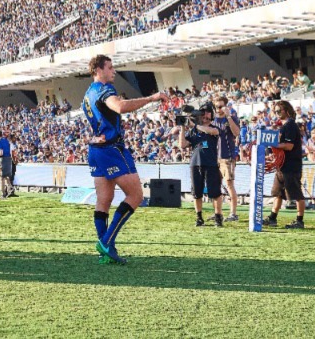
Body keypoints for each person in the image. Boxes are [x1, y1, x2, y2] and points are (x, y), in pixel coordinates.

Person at [82, 55, 166, 265]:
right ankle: (106, 242)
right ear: (98, 70)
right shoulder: (104, 90)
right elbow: (119, 106)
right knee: (135, 195)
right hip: (111, 148)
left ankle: (105, 252)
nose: (114, 71)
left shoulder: (88, 94)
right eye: (110, 68)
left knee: (104, 199)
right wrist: (151, 98)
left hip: (96, 149)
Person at [177, 103, 224, 227]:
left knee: (215, 192)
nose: (204, 115)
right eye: (203, 113)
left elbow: (212, 131)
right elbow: (182, 145)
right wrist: (182, 127)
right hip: (195, 163)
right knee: (197, 193)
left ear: (211, 115)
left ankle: (218, 217)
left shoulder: (214, 128)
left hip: (211, 164)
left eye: (207, 113)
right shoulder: (194, 131)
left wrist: (195, 125)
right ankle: (199, 217)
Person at [263, 100, 305, 229]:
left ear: (286, 110)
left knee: (296, 194)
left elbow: (289, 146)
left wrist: (274, 144)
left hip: (291, 166)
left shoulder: (290, 125)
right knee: (277, 193)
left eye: (279, 111)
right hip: (282, 166)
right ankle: (272, 218)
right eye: (275, 111)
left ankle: (299, 220)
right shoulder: (284, 126)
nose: (277, 113)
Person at [213, 95, 241, 221]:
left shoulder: (231, 118)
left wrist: (228, 116)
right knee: (216, 185)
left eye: (220, 106)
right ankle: (217, 212)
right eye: (216, 107)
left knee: (229, 185)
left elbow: (236, 133)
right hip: (215, 156)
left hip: (227, 156)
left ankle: (233, 213)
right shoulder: (212, 120)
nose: (218, 109)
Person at [0, 129, 13, 199]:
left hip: (3, 159)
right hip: (8, 158)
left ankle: (3, 194)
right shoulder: (6, 140)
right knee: (6, 175)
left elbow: (1, 153)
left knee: (1, 177)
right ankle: (10, 187)